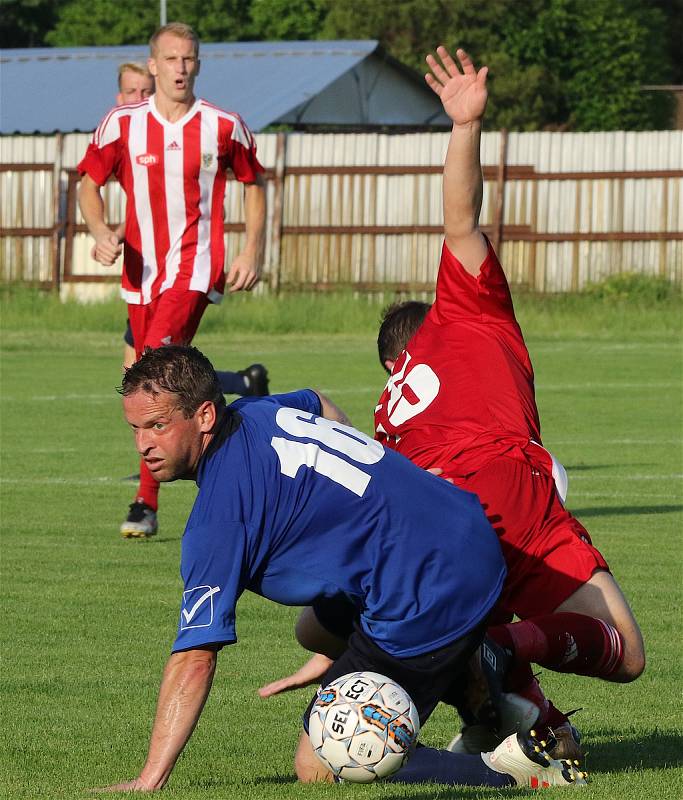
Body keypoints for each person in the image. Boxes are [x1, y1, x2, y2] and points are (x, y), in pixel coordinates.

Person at [259, 46, 645, 760]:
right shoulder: (468, 307)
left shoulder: (388, 409)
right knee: (622, 653)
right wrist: (464, 126)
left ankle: (514, 706)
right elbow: (461, 217)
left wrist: (338, 645)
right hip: (506, 487)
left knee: (318, 634)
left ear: (390, 362)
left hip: (428, 529)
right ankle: (506, 651)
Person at [97, 342, 586, 791]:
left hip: (428, 585)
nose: (142, 444)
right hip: (461, 528)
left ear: (204, 415)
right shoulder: (254, 410)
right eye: (135, 428)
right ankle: (477, 679)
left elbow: (195, 658)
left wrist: (149, 779)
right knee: (315, 630)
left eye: (158, 425)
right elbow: (319, 401)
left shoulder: (220, 518)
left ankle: (515, 771)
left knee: (322, 763)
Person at [78, 22, 270, 538]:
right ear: (154, 64)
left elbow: (254, 184)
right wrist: (98, 231)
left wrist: (252, 249)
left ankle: (147, 500)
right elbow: (88, 184)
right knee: (156, 380)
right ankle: (246, 430)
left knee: (153, 372)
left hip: (195, 264)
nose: (181, 68)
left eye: (189, 59)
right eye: (171, 59)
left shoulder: (223, 126)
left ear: (198, 64)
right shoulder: (121, 124)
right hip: (140, 272)